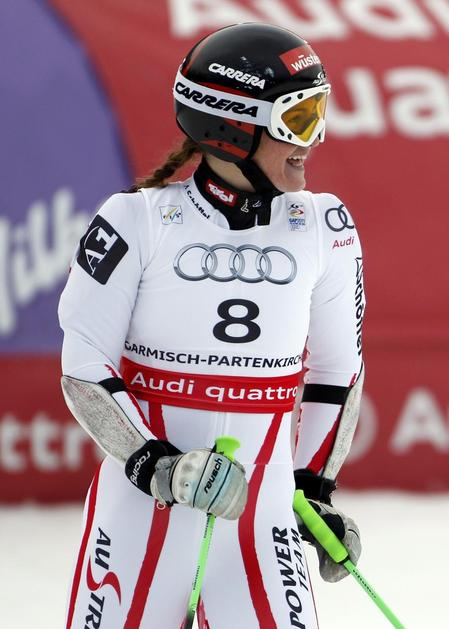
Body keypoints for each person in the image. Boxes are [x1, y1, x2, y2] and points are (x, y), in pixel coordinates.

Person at [59, 22, 365, 629]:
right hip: (141, 515)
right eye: (298, 119)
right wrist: (160, 467)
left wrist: (313, 490)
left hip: (263, 525)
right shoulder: (136, 218)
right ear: (233, 126)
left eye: (318, 113)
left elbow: (338, 373)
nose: (314, 139)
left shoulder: (326, 225)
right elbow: (84, 365)